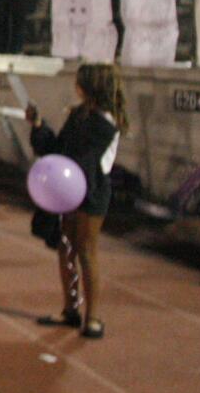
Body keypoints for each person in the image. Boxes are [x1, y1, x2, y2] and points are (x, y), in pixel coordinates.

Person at [26, 63, 127, 340]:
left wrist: (66, 181)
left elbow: (85, 161)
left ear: (91, 86)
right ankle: (70, 310)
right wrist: (38, 126)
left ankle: (92, 317)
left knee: (87, 250)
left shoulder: (106, 123)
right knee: (66, 246)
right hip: (69, 189)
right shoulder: (79, 115)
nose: (76, 85)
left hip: (92, 190)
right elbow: (58, 149)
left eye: (80, 81)